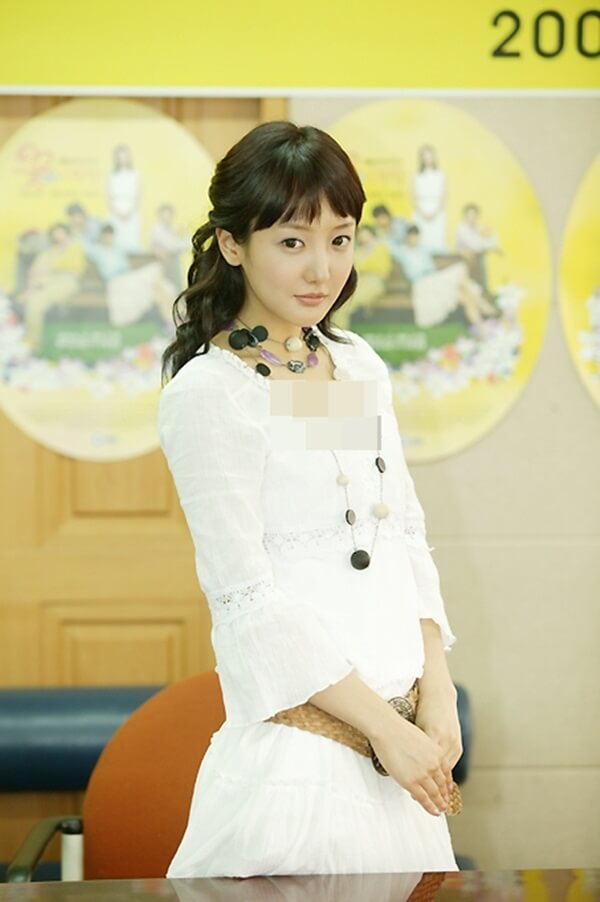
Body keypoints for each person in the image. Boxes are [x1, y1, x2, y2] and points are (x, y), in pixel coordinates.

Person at [158, 121, 462, 878]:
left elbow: (397, 532)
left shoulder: (353, 366)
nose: (321, 268)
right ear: (232, 244)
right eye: (292, 242)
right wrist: (381, 728)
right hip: (300, 763)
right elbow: (247, 598)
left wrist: (439, 691)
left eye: (340, 239)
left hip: (401, 759)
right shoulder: (212, 393)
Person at [391, 225, 496, 329]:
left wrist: (462, 251)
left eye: (416, 237)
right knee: (461, 275)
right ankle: (483, 305)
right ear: (407, 237)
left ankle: (481, 328)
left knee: (465, 295)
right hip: (421, 283)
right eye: (411, 237)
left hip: (434, 278)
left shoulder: (424, 248)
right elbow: (389, 245)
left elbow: (445, 249)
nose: (414, 239)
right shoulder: (402, 251)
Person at [455, 203, 500, 298]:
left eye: (475, 216)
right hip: (464, 262)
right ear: (465, 216)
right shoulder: (462, 228)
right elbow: (476, 246)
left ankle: (484, 291)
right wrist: (489, 244)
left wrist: (487, 233)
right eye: (470, 215)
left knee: (482, 257)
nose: (472, 218)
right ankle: (483, 291)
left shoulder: (475, 227)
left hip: (475, 260)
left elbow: (487, 239)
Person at [411, 145, 448, 254]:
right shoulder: (417, 175)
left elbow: (443, 195)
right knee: (422, 237)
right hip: (420, 209)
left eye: (430, 156)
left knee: (437, 237)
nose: (428, 159)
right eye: (425, 156)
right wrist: (422, 211)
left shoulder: (440, 174)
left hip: (437, 210)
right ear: (421, 158)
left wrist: (435, 211)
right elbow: (413, 196)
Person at [106, 144, 143, 253]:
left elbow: (138, 195)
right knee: (116, 237)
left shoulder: (135, 174)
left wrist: (130, 211)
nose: (122, 159)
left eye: (125, 156)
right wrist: (117, 212)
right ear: (116, 158)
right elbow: (109, 196)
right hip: (115, 210)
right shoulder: (111, 175)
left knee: (131, 237)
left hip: (132, 210)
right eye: (120, 156)